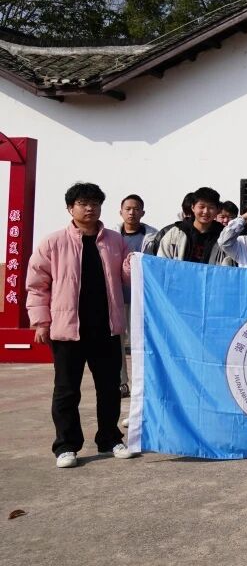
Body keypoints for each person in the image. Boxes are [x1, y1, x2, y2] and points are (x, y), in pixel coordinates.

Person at [27, 183, 135, 468]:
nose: (90, 208)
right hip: (67, 330)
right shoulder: (53, 242)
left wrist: (134, 263)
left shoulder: (115, 241)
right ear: (70, 208)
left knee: (109, 388)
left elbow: (128, 277)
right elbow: (37, 285)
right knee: (67, 390)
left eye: (95, 203)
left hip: (106, 328)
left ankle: (110, 439)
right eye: (83, 203)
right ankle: (66, 445)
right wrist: (41, 322)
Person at [114, 194, 155, 395]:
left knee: (144, 342)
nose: (132, 213)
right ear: (120, 212)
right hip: (117, 298)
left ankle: (146, 383)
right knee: (117, 343)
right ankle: (121, 382)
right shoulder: (110, 237)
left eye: (136, 209)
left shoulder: (153, 237)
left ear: (143, 212)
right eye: (128, 209)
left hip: (143, 299)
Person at [154, 187, 225, 264]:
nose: (206, 211)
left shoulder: (224, 237)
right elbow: (162, 263)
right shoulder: (175, 234)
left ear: (217, 210)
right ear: (193, 207)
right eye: (201, 207)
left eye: (211, 207)